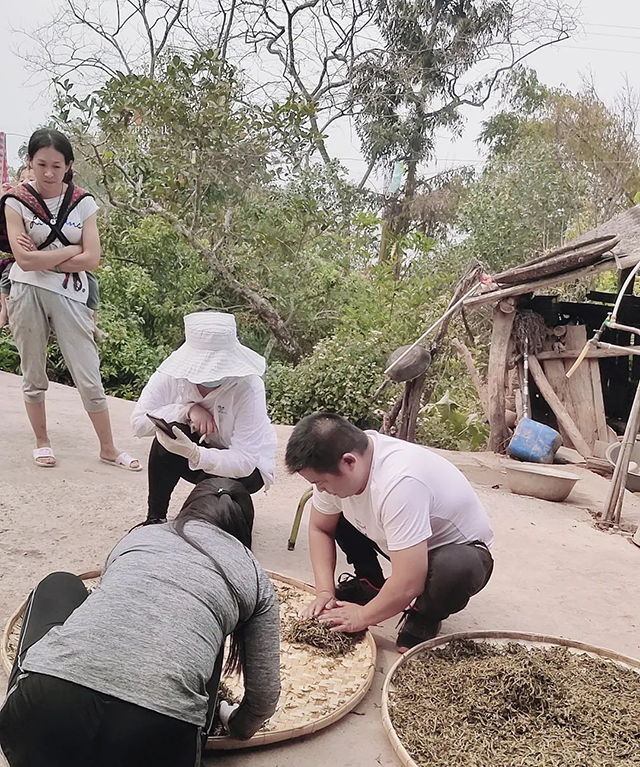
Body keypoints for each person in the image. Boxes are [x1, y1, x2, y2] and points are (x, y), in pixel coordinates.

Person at [0, 478, 281, 767]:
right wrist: (238, 726)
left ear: (188, 509)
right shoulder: (253, 574)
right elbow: (265, 696)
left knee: (58, 583)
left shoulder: (140, 536)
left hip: (38, 723)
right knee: (207, 636)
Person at [284, 412, 494, 651]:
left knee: (453, 569)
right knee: (337, 510)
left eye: (321, 482)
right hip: (397, 539)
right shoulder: (345, 467)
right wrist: (324, 592)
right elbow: (320, 528)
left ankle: (424, 616)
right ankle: (370, 582)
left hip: (455, 551)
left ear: (349, 461)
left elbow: (410, 581)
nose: (319, 489)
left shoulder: (400, 482)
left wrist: (362, 617)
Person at [2, 128, 139, 470]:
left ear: (68, 166)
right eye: (41, 164)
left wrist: (50, 259)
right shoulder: (15, 201)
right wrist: (69, 251)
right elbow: (25, 261)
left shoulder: (83, 202)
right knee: (33, 371)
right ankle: (42, 441)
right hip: (27, 291)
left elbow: (93, 258)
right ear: (30, 163)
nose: (48, 173)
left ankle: (108, 447)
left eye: (57, 166)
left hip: (70, 293)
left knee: (88, 373)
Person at [131, 311, 277, 524]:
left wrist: (196, 455)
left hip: (245, 469)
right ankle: (155, 517)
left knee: (215, 508)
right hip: (196, 455)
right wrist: (187, 410)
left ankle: (222, 506)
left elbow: (245, 461)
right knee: (163, 440)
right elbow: (138, 424)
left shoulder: (248, 387)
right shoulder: (172, 376)